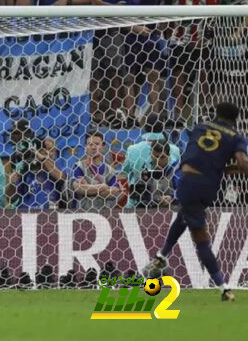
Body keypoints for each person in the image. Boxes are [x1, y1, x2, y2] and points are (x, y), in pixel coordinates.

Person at [143, 102, 248, 301]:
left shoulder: (201, 127)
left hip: (189, 182)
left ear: (216, 113)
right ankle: (160, 258)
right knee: (184, 216)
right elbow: (242, 163)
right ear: (235, 119)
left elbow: (199, 153)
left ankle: (224, 288)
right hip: (209, 185)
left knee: (201, 239)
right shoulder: (236, 137)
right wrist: (227, 169)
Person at [168, 0, 217, 115]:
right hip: (178, 41)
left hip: (202, 42)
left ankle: (203, 109)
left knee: (203, 74)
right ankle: (179, 111)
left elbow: (214, 20)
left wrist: (205, 38)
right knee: (179, 73)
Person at [124, 0, 170, 120]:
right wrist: (137, 28)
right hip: (133, 40)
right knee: (131, 78)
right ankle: (130, 117)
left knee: (154, 76)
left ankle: (155, 115)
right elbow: (124, 21)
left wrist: (164, 27)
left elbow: (169, 19)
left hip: (153, 41)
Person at [71, 132, 120, 211]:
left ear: (103, 146)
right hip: (82, 214)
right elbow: (79, 188)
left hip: (104, 215)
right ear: (85, 147)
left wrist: (89, 188)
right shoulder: (79, 166)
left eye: (97, 144)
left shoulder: (110, 170)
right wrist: (103, 187)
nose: (93, 147)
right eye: (90, 144)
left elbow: (114, 193)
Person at [127, 140, 180, 208]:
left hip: (172, 210)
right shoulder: (145, 167)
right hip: (151, 210)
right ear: (151, 154)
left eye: (162, 157)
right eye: (156, 157)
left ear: (168, 156)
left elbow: (184, 190)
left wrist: (172, 198)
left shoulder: (176, 169)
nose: (158, 161)